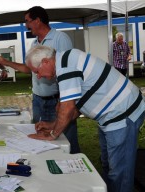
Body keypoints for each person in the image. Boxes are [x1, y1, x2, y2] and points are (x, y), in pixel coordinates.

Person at [26, 45, 145, 192]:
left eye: (36, 71)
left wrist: (52, 135)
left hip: (123, 114)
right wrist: (53, 125)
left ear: (45, 61)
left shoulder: (65, 65)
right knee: (108, 165)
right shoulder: (66, 61)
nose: (38, 76)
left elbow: (68, 108)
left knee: (119, 172)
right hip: (112, 116)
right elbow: (75, 110)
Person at [0, 6, 80, 154]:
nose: (26, 26)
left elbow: (68, 69)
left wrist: (63, 100)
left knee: (66, 140)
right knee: (41, 140)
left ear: (38, 20)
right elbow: (29, 69)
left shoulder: (61, 39)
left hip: (57, 100)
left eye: (27, 21)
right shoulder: (34, 44)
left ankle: (75, 167)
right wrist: (6, 62)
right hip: (38, 100)